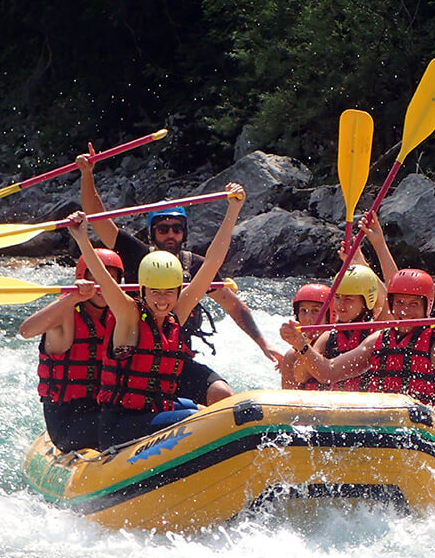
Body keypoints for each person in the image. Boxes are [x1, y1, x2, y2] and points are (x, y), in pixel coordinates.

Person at [74, 146, 283, 405]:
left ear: (184, 233)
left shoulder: (194, 266)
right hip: (132, 357)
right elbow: (97, 218)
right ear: (153, 233)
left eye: (176, 229)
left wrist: (264, 344)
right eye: (162, 229)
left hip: (174, 359)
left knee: (223, 395)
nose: (170, 235)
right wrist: (87, 174)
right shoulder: (136, 254)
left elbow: (233, 304)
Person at [68, 183, 246, 449]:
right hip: (120, 425)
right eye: (155, 293)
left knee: (219, 409)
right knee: (194, 417)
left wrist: (234, 209)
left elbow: (211, 264)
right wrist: (82, 238)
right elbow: (104, 280)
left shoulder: (177, 313)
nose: (162, 301)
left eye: (168, 293)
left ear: (178, 291)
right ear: (142, 291)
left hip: (154, 412)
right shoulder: (129, 314)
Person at [279, 268, 435, 431]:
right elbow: (328, 372)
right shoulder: (378, 341)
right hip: (385, 431)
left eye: (413, 304)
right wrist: (301, 345)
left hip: (431, 435)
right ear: (391, 304)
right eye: (400, 303)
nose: (405, 311)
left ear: (427, 306)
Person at [17, 248, 123, 452]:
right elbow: (26, 331)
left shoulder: (120, 315)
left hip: (104, 409)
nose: (103, 286)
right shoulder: (66, 316)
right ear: (83, 279)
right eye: (97, 279)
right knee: (128, 425)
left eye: (111, 280)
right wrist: (71, 297)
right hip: (68, 423)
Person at [285, 265, 385, 391]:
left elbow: (390, 294)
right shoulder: (329, 335)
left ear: (366, 303)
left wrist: (375, 249)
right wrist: (301, 345)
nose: (340, 305)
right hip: (334, 404)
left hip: (364, 405)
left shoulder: (377, 331)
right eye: (337, 298)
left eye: (348, 299)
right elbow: (300, 376)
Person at [279, 282, 330, 389]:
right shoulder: (291, 356)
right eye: (303, 311)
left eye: (315, 311)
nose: (308, 318)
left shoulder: (337, 345)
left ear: (330, 316)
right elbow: (287, 397)